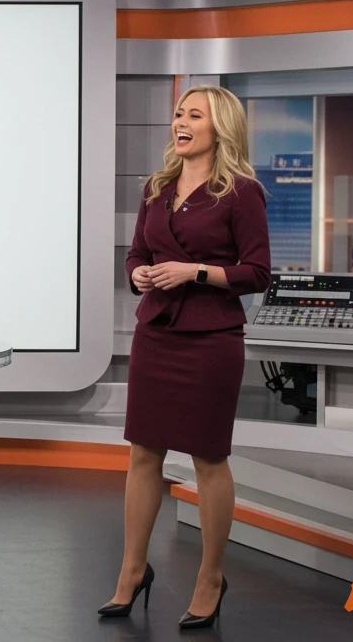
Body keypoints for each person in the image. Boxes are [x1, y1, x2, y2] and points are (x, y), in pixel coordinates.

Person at [99, 85, 270, 630]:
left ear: (219, 127)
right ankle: (131, 573)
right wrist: (140, 275)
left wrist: (195, 272)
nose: (181, 121)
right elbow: (137, 254)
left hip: (211, 338)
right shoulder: (157, 187)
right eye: (179, 113)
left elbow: (258, 273)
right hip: (156, 332)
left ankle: (210, 578)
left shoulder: (241, 192)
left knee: (207, 459)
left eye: (194, 115)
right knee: (143, 454)